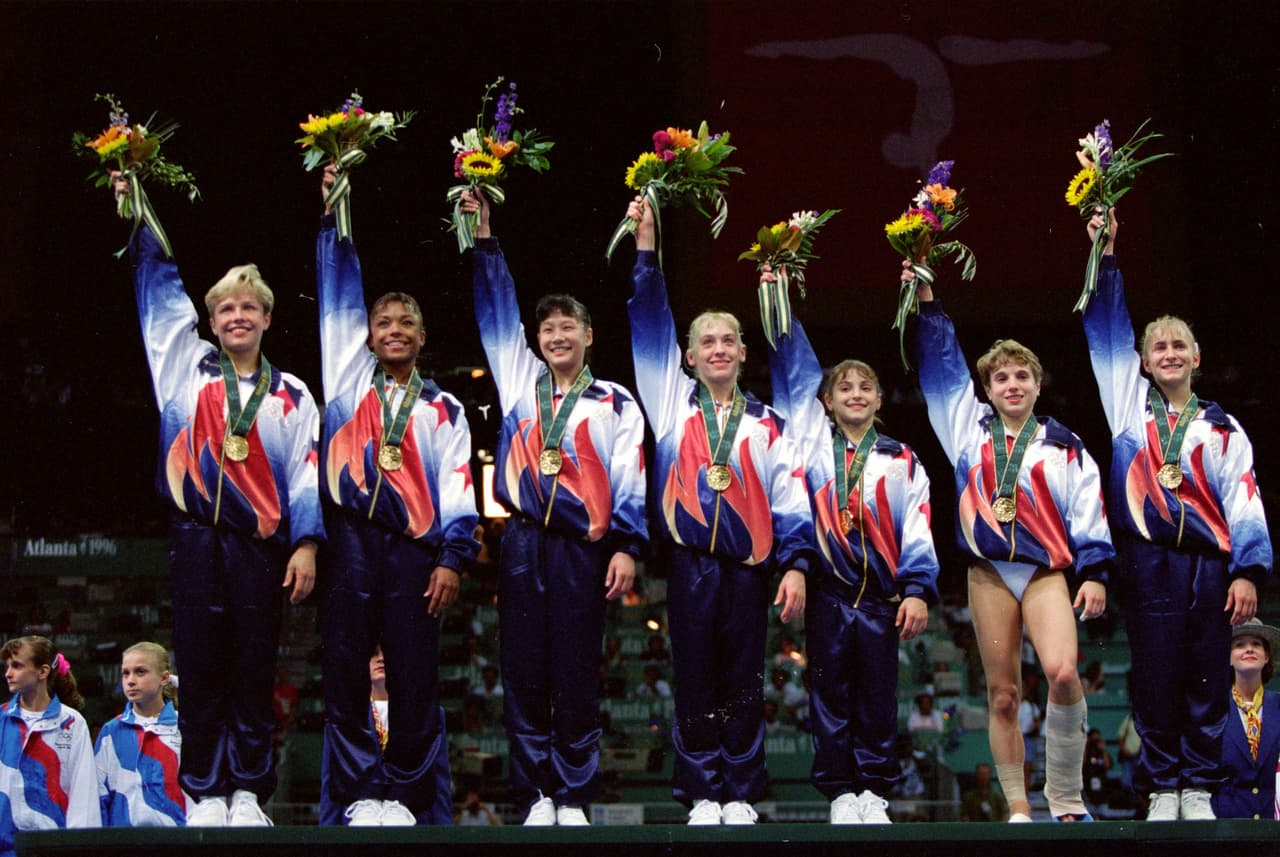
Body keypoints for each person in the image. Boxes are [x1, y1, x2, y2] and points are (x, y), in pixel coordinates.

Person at [115, 174, 324, 827]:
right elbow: (158, 294)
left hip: (260, 546)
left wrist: (308, 542)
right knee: (201, 667)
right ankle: (204, 789)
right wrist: (137, 210)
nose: (236, 316)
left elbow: (307, 473)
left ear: (266, 317)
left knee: (252, 667)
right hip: (197, 535)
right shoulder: (186, 368)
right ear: (212, 321)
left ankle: (247, 793)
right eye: (225, 309)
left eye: (248, 307)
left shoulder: (292, 392)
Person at [626, 196, 814, 826]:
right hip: (689, 562)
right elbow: (650, 322)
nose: (719, 348)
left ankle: (743, 790)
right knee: (696, 678)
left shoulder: (767, 423)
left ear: (742, 351)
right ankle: (702, 790)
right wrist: (646, 250)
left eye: (729, 339)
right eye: (706, 341)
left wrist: (794, 565)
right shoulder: (670, 403)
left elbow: (789, 496)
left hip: (750, 564)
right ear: (687, 356)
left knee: (742, 679)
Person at [462, 188, 648, 827]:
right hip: (522, 541)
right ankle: (535, 794)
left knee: (575, 670)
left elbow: (630, 478)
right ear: (537, 341)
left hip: (583, 547)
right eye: (548, 328)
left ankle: (572, 793)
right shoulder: (518, 383)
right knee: (523, 670)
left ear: (589, 336)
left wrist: (625, 546)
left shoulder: (616, 402)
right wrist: (485, 235)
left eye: (569, 326)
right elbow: (496, 310)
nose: (558, 335)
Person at [1080, 208, 1272, 820]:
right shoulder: (1126, 406)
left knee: (1205, 677)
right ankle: (1164, 785)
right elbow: (1106, 329)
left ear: (1196, 357)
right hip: (1146, 560)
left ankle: (1199, 786)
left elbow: (1244, 495)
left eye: (1178, 345)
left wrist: (1247, 570)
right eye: (1157, 345)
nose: (1167, 352)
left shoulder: (1221, 427)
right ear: (1141, 359)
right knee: (1157, 673)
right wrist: (1106, 255)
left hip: (1210, 565)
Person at [909, 262, 1113, 823]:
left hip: (1045, 571)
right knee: (1002, 697)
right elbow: (944, 366)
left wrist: (1094, 571)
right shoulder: (965, 427)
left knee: (1064, 672)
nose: (1013, 385)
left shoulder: (1064, 446)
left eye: (1022, 375)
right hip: (989, 574)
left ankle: (1067, 798)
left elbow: (1087, 507)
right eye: (1001, 378)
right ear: (988, 389)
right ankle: (1019, 807)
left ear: (1037, 384)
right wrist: (928, 300)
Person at [316, 167, 478, 827]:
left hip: (416, 551)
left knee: (413, 676)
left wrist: (453, 556)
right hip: (351, 541)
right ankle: (357, 795)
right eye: (383, 322)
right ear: (369, 334)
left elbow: (459, 485)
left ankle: (409, 797)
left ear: (420, 336)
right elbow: (338, 294)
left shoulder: (442, 406)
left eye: (405, 322)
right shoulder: (347, 382)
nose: (392, 329)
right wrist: (334, 212)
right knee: (349, 672)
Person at [767, 301, 940, 824]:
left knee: (878, 700)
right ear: (825, 400)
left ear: (880, 399)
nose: (856, 395)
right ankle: (841, 791)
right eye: (844, 388)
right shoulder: (812, 447)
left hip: (882, 598)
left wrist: (915, 588)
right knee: (831, 696)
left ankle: (874, 791)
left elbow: (918, 525)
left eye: (865, 388)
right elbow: (795, 375)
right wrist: (781, 304)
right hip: (829, 592)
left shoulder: (901, 458)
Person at [1, 637, 98, 854]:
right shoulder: (1, 719)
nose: (8, 673)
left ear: (42, 671)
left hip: (53, 847)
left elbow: (84, 795)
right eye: (7, 666)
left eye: (16, 665)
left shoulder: (72, 723)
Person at [95, 642, 187, 827]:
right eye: (125, 673)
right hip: (124, 843)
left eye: (140, 672)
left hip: (180, 841)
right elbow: (98, 796)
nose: (130, 681)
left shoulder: (185, 727)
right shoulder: (111, 732)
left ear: (164, 678)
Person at [1213, 619, 1280, 819]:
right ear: (1228, 657)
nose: (1249, 649)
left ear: (1267, 656)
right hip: (1226, 827)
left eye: (1256, 644)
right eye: (1240, 644)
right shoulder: (1212, 710)